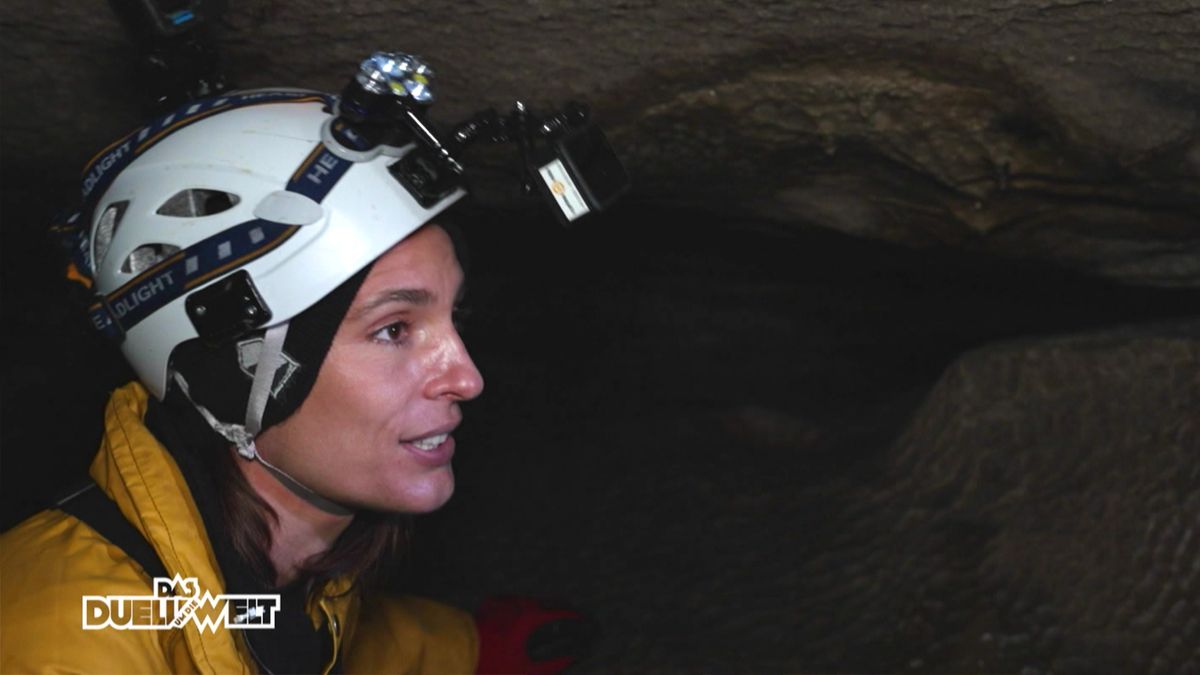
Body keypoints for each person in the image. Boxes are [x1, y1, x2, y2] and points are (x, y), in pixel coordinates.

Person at [1, 83, 585, 674]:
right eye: (394, 330)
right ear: (233, 378)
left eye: (453, 318)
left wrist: (472, 648)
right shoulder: (61, 646)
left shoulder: (274, 570)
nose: (466, 378)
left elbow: (276, 629)